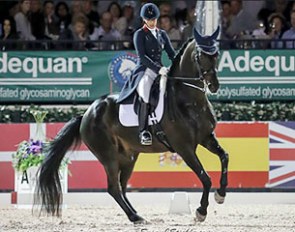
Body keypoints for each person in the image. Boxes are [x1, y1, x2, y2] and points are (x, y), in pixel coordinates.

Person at [117, 3, 176, 146]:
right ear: (144, 19)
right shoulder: (139, 34)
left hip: (160, 69)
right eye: (149, 19)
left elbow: (171, 52)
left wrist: (176, 64)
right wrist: (158, 68)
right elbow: (142, 57)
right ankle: (143, 131)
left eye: (154, 19)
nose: (152, 22)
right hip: (145, 70)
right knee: (144, 92)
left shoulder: (162, 34)